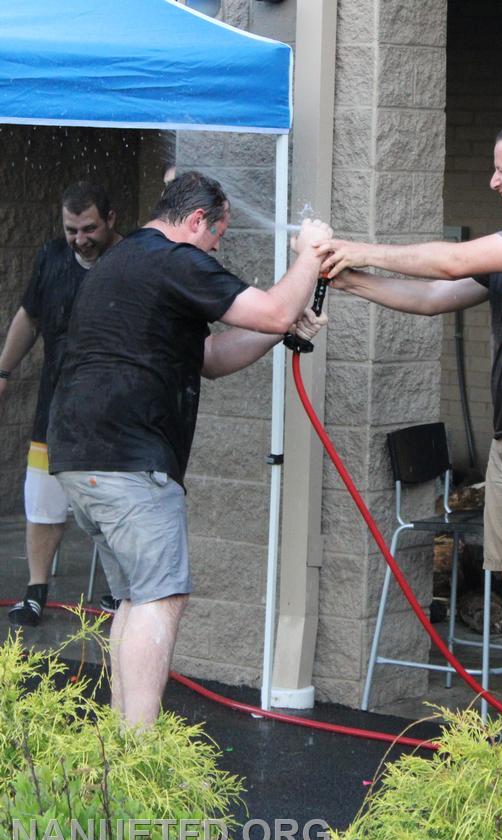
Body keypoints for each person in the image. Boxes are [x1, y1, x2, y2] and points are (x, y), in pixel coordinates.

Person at [318, 119, 502, 766]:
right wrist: (348, 277)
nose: (493, 180)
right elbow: (433, 297)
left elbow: (449, 259)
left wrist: (352, 244)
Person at [47, 171, 332, 728]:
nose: (216, 249)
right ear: (196, 220)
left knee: (136, 597)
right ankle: (140, 750)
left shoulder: (128, 260)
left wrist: (282, 327)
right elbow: (272, 308)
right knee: (161, 597)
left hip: (83, 456)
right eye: (216, 236)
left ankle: (119, 747)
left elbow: (210, 356)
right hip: (129, 458)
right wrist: (311, 254)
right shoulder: (176, 258)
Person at [2, 181, 122, 627]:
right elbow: (29, 316)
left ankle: (121, 594)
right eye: (72, 229)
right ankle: (35, 592)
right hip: (55, 403)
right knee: (42, 499)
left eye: (89, 228)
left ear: (110, 220)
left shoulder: (129, 260)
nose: (80, 239)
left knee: (111, 503)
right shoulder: (52, 257)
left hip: (114, 409)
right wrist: (2, 371)